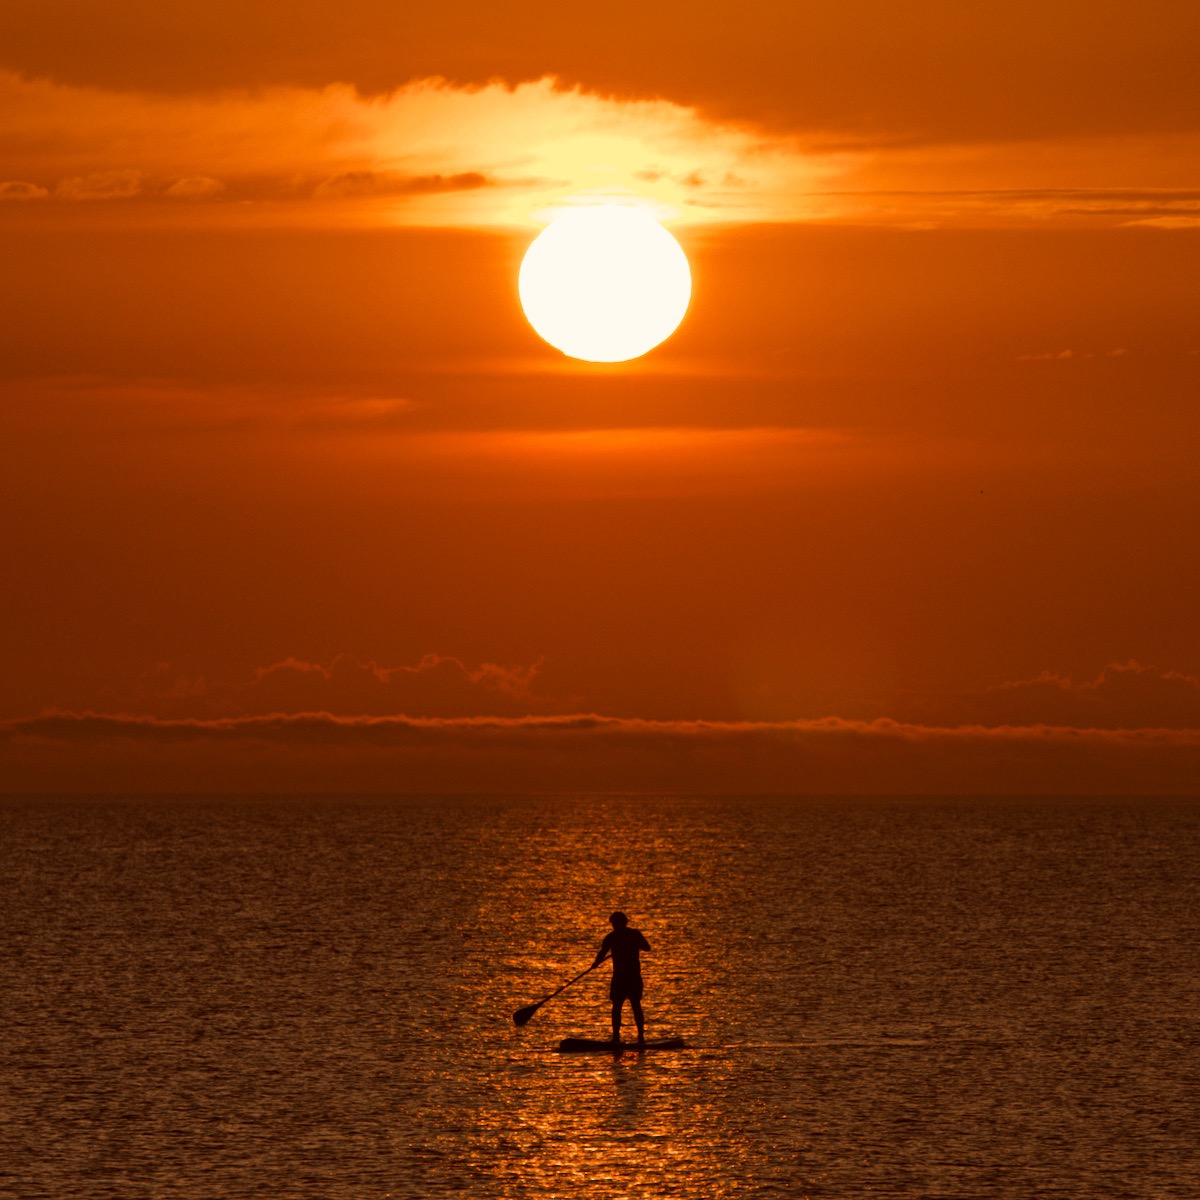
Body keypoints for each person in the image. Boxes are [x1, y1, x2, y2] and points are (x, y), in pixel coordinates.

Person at [593, 911, 651, 1045]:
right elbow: (602, 953)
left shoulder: (634, 934)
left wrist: (634, 943)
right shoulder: (611, 938)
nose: (614, 926)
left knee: (635, 1005)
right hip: (618, 977)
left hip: (633, 976)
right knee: (616, 1006)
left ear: (623, 923)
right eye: (613, 924)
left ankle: (641, 1037)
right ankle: (616, 1038)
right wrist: (596, 963)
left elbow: (647, 948)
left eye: (616, 923)